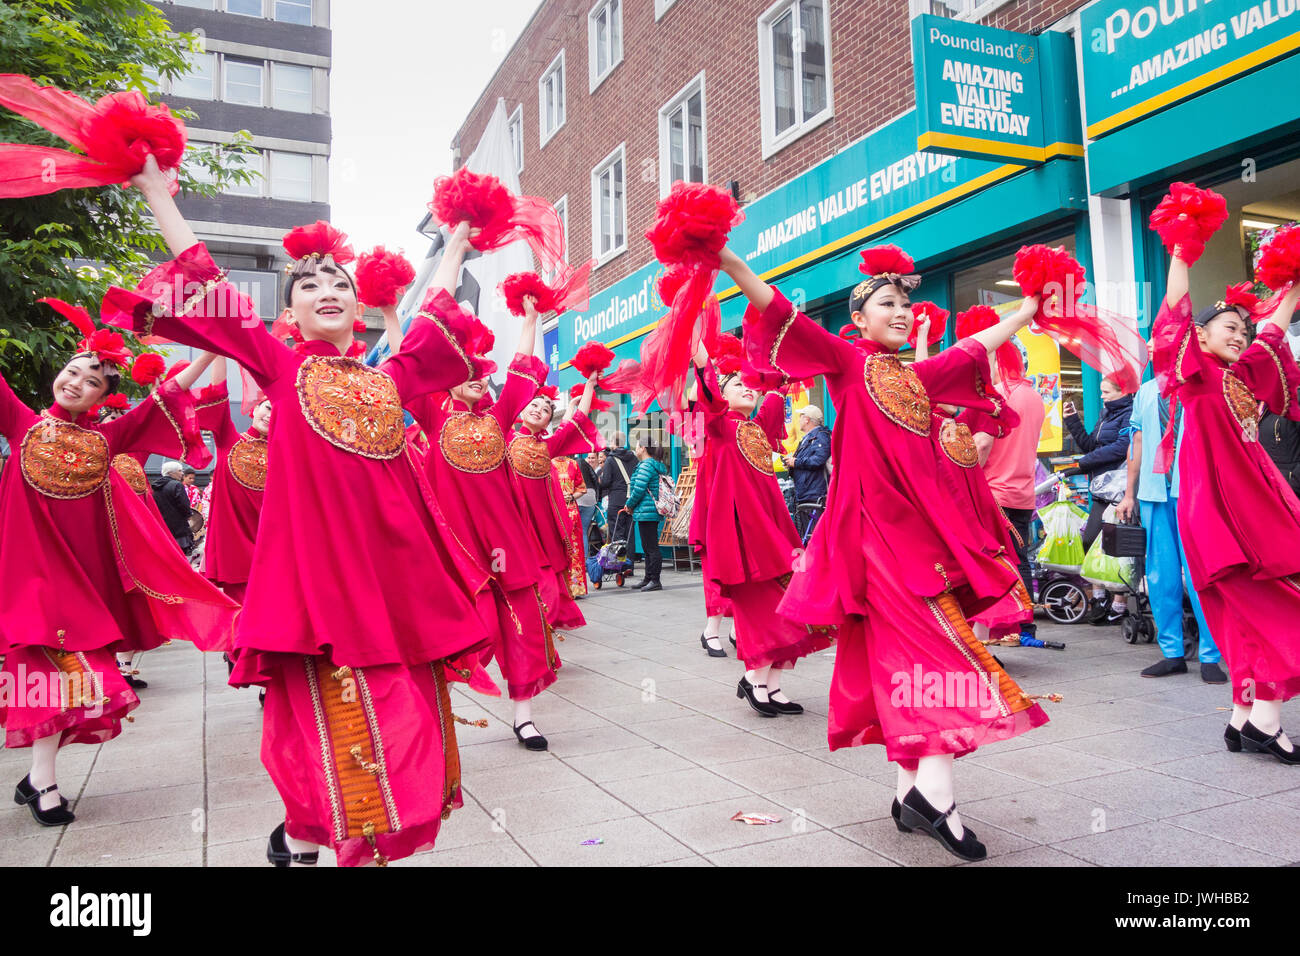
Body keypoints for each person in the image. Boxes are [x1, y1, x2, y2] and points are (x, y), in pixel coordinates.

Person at [127, 157, 495, 866]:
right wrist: (152, 189)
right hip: (321, 598)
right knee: (348, 735)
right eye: (308, 284)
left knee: (404, 735)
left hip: (395, 594)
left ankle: (301, 838)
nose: (326, 290)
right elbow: (207, 281)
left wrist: (453, 244)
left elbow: (434, 316)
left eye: (339, 284)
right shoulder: (281, 367)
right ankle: (308, 836)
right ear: (288, 314)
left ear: (359, 310)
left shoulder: (392, 378)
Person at [727, 241, 1048, 862]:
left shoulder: (913, 376)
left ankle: (910, 796)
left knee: (916, 667)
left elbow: (971, 349)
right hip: (878, 549)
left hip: (918, 548)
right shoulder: (846, 363)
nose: (901, 312)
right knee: (946, 664)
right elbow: (777, 307)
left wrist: (1027, 308)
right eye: (887, 303)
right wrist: (731, 263)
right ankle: (936, 802)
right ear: (861, 319)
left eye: (905, 302)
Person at [0, 332, 235, 828]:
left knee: (78, 687)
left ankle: (38, 776)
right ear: (57, 375)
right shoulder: (22, 424)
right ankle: (43, 781)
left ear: (102, 400)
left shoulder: (109, 440)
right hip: (32, 582)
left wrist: (216, 347)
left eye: (91, 382)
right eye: (73, 372)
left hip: (84, 586)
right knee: (47, 679)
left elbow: (166, 397)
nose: (76, 383)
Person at [410, 291, 593, 754]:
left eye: (481, 375)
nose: (475, 380)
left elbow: (521, 368)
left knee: (523, 628)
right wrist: (394, 313)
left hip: (508, 544)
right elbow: (409, 360)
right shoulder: (432, 416)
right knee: (467, 632)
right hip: (458, 548)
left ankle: (523, 718)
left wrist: (531, 318)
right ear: (447, 383)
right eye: (464, 373)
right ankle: (435, 714)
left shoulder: (499, 417)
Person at [1152, 226, 1300, 764]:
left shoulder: (1239, 375)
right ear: (1202, 337)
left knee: (1243, 619)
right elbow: (1174, 312)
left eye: (1242, 327)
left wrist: (1294, 288)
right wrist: (1180, 251)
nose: (1238, 335)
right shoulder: (1196, 375)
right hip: (1224, 517)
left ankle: (1243, 721)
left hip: (1249, 511)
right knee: (1277, 612)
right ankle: (1265, 722)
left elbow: (1273, 338)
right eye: (1226, 328)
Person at [688, 343, 833, 710]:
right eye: (737, 385)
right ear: (721, 395)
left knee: (790, 606)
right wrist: (696, 335)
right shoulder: (719, 426)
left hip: (774, 533)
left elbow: (775, 386)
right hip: (744, 538)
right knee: (763, 610)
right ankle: (755, 679)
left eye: (749, 385)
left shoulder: (757, 427)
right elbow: (705, 384)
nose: (747, 389)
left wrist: (771, 360)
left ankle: (770, 683)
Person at [1116, 373, 1223, 682]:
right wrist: (1128, 493)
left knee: (1201, 574)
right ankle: (1172, 654)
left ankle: (1211, 656)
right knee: (1160, 577)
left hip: (1195, 492)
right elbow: (1136, 442)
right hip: (1153, 493)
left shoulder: (1203, 386)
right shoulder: (1146, 391)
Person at [970, 332, 1046, 642]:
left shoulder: (997, 396)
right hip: (1023, 492)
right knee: (1019, 558)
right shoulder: (1035, 396)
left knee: (989, 561)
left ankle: (994, 626)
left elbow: (983, 444)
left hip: (992, 492)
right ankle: (1024, 626)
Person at [510, 378, 602, 632]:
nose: (539, 410)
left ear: (548, 421)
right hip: (515, 524)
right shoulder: (505, 439)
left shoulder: (547, 447)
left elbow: (575, 423)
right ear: (522, 409)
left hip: (544, 527)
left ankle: (540, 631)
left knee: (548, 584)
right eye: (535, 405)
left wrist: (589, 387)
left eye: (546, 410)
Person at [194, 356, 269, 606]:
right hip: (235, 549)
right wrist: (217, 352)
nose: (271, 415)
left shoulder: (288, 453)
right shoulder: (229, 440)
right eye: (267, 408)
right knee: (241, 615)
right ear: (254, 409)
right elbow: (219, 393)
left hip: (273, 549)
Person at [1062, 377, 1133, 624]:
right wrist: (1072, 421)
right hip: (1102, 488)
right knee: (1091, 542)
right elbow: (1091, 446)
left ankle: (1118, 604)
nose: (1101, 396)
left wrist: (1082, 464)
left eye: (1106, 391)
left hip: (1120, 489)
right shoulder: (1107, 414)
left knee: (1115, 547)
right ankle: (1100, 597)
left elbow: (1122, 448)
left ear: (1122, 390)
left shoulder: (1129, 413)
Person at [621, 434, 669, 592]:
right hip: (647, 510)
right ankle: (648, 578)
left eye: (637, 446)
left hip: (647, 510)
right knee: (648, 546)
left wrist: (629, 505)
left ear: (643, 448)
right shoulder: (652, 464)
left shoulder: (646, 465)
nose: (635, 449)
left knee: (651, 547)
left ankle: (655, 580)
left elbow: (638, 489)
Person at [782, 404, 831, 540]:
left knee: (814, 536)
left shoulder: (821, 437)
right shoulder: (809, 438)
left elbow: (817, 460)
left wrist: (795, 462)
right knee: (806, 536)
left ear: (807, 419)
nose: (798, 420)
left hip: (815, 495)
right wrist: (791, 464)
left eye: (800, 416)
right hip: (805, 494)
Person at [554, 451, 589, 597]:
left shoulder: (573, 464)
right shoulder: (548, 464)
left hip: (571, 512)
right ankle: (559, 588)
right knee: (557, 549)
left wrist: (572, 496)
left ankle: (575, 588)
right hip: (554, 511)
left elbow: (581, 488)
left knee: (574, 550)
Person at [598, 434, 636, 552]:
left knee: (617, 533)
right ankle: (629, 566)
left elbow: (606, 482)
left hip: (615, 500)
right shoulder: (633, 458)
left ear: (614, 442)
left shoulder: (610, 459)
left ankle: (620, 566)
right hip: (631, 499)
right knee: (629, 534)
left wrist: (599, 479)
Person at [151, 460, 195, 554]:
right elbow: (184, 504)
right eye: (179, 471)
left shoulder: (155, 486)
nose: (182, 473)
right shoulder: (177, 485)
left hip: (163, 525)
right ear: (171, 473)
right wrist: (189, 515)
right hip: (178, 526)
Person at [575, 453, 599, 556]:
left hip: (577, 497)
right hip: (590, 498)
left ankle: (575, 559)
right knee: (584, 531)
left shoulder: (571, 464)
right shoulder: (585, 463)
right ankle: (584, 558)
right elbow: (595, 480)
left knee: (574, 531)